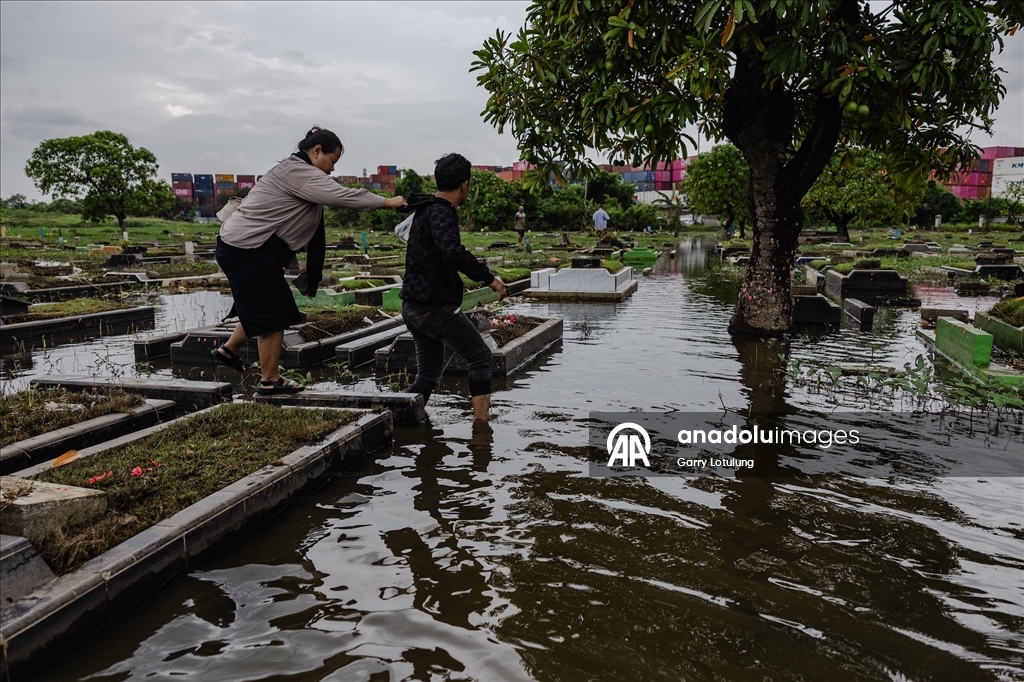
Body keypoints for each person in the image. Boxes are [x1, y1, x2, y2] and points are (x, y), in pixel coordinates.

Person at [213, 126, 407, 394]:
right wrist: (387, 202)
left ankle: (229, 349)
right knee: (272, 314)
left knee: (265, 303)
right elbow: (343, 196)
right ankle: (270, 381)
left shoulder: (295, 169)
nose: (331, 170)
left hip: (244, 247)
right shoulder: (299, 172)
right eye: (332, 161)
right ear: (316, 151)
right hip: (247, 249)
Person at [400, 153, 508, 422]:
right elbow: (452, 251)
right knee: (480, 357)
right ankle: (482, 429)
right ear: (465, 184)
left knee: (428, 375)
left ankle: (400, 420)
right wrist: (489, 278)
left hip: (414, 307)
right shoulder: (440, 212)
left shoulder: (425, 208)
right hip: (432, 308)